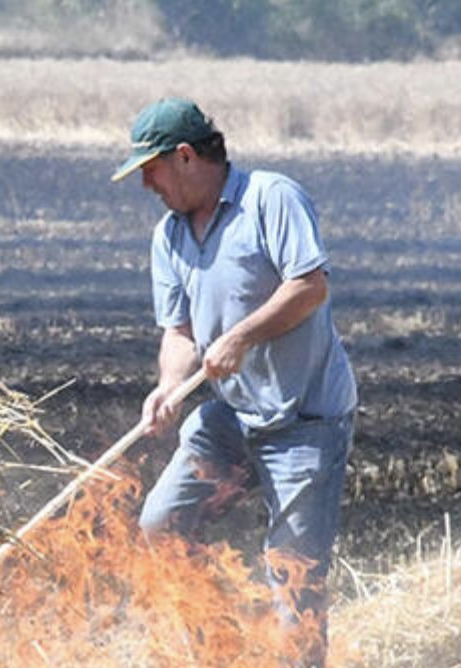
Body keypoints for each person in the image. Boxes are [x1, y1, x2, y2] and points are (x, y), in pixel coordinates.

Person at [111, 97, 357, 667]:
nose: (147, 184)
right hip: (228, 416)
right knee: (161, 526)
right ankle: (218, 653)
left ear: (186, 157)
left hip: (305, 419)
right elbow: (179, 333)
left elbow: (309, 286)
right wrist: (168, 387)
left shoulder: (271, 198)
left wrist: (243, 336)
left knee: (293, 572)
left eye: (150, 170)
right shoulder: (168, 237)